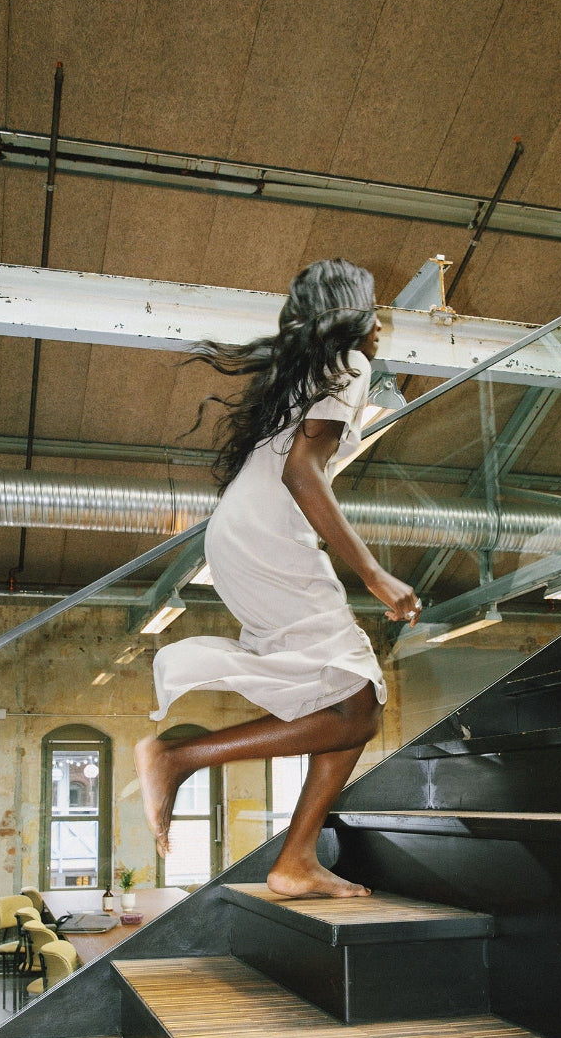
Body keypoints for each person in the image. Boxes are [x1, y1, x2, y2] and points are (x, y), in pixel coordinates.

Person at [134, 258, 421, 899]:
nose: (380, 323)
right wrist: (372, 574)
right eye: (373, 310)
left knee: (355, 705)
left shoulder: (316, 371)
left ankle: (295, 861)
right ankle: (177, 757)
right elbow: (301, 471)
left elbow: (295, 465)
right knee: (358, 706)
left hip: (242, 533)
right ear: (351, 316)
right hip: (268, 536)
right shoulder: (350, 366)